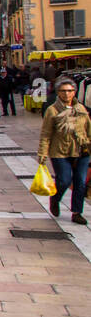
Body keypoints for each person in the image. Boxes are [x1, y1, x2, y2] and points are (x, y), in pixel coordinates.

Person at [38, 77, 91, 225]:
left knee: (80, 182)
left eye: (70, 91)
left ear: (74, 92)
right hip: (60, 151)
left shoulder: (81, 109)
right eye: (63, 91)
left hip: (82, 151)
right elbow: (46, 133)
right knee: (64, 180)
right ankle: (55, 199)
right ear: (58, 93)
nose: (67, 94)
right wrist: (42, 153)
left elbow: (88, 130)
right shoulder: (52, 110)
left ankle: (76, 212)